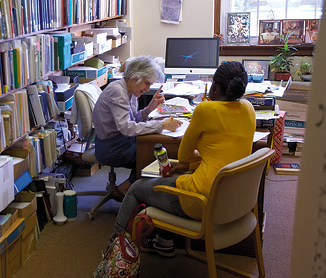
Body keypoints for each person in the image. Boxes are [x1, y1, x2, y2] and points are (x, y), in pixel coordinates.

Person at [107, 61, 256, 257]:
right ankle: (164, 241)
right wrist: (194, 162)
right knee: (171, 180)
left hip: (200, 202)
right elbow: (222, 153)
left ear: (216, 87)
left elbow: (184, 155)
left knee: (137, 188)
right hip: (234, 201)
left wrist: (188, 162)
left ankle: (113, 249)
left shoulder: (205, 109)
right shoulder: (249, 108)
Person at [92, 55, 183, 197]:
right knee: (150, 152)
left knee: (154, 147)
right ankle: (127, 189)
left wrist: (149, 109)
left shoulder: (130, 91)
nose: (147, 89)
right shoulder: (117, 91)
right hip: (111, 147)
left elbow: (133, 120)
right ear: (135, 77)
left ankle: (130, 188)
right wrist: (162, 125)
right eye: (146, 83)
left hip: (122, 141)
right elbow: (127, 128)